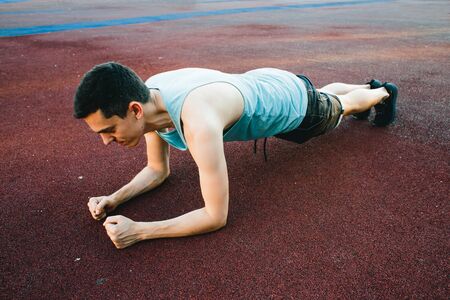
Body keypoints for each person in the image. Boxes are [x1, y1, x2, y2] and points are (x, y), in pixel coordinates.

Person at [73, 62, 398, 249]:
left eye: (109, 130)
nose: (105, 141)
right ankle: (367, 84)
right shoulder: (149, 94)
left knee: (341, 107)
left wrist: (140, 231)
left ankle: (383, 93)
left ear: (134, 110)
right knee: (323, 95)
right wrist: (114, 198)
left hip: (295, 109)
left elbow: (216, 216)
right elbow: (157, 171)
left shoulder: (198, 121)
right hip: (268, 82)